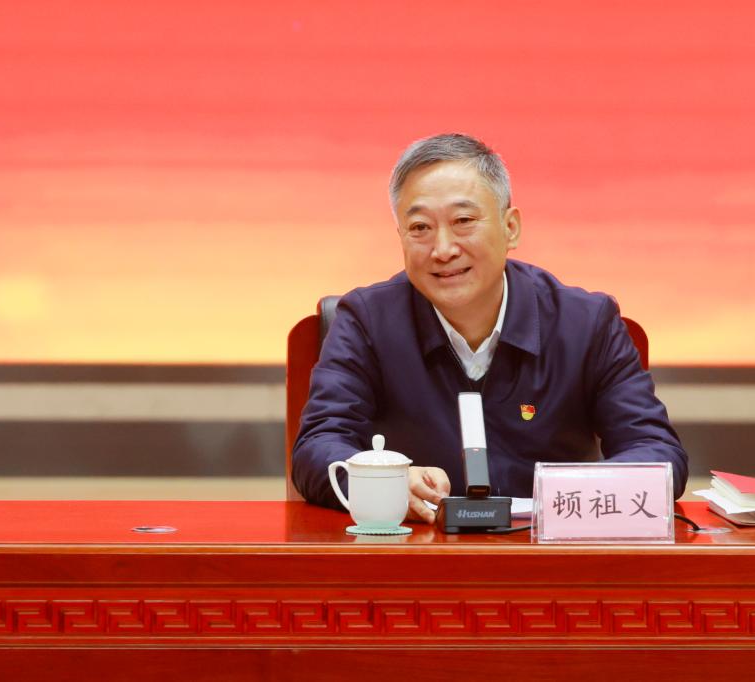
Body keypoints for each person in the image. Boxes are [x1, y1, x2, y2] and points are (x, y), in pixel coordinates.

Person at [292, 133, 688, 523]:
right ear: (401, 237)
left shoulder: (585, 324)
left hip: (549, 555)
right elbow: (317, 447)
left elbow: (657, 453)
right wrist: (385, 482)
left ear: (510, 227)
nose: (443, 249)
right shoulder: (367, 320)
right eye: (420, 228)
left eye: (463, 221)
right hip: (417, 553)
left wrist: (571, 495)